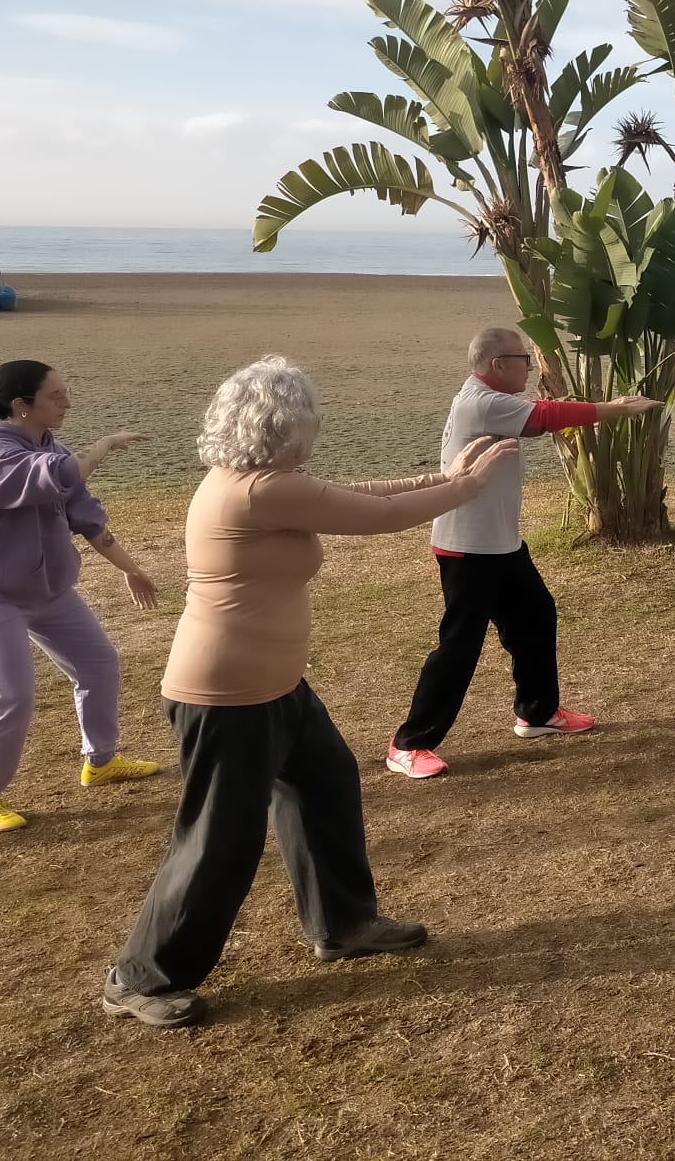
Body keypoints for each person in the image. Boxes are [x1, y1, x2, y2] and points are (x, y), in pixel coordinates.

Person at [102, 356, 516, 1028]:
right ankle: (140, 976)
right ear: (285, 426)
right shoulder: (256, 492)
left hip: (277, 686)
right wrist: (467, 487)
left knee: (326, 785)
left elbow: (357, 494)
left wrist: (446, 478)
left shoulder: (264, 483)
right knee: (219, 839)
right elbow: (381, 515)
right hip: (229, 695)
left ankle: (343, 923)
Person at [385, 328, 661, 779]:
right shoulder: (481, 403)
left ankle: (537, 713)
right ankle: (408, 744)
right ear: (498, 364)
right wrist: (616, 408)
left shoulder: (489, 400)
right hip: (467, 549)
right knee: (460, 644)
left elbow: (537, 418)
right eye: (523, 359)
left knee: (535, 616)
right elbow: (545, 416)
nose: (530, 368)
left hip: (501, 545)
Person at [0, 360, 162, 833]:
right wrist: (104, 444)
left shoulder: (51, 448)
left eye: (66, 393)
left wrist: (132, 570)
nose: (67, 403)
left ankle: (100, 762)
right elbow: (59, 475)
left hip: (48, 592)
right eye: (56, 395)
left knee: (99, 664)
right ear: (21, 405)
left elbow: (88, 520)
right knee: (12, 697)